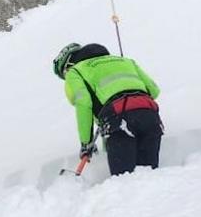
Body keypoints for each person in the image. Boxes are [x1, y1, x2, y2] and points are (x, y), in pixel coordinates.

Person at [53, 42, 163, 176]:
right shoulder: (126, 61)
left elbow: (84, 103)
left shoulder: (75, 71)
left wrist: (86, 143)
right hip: (150, 116)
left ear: (68, 65)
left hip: (118, 119)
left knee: (124, 181)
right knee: (149, 177)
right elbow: (154, 91)